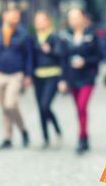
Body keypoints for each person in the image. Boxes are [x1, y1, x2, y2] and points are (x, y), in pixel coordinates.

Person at [0, 4, 32, 149]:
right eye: (13, 15)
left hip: (16, 74)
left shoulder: (22, 34)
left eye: (18, 16)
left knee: (10, 104)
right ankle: (7, 137)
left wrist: (28, 74)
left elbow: (29, 55)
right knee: (4, 108)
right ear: (5, 16)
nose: (16, 19)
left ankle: (22, 129)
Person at [58, 8, 100, 154]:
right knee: (79, 110)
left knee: (82, 107)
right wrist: (62, 79)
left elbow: (97, 57)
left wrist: (85, 62)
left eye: (77, 17)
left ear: (83, 18)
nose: (74, 21)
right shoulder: (65, 37)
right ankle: (85, 136)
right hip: (72, 77)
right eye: (71, 18)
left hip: (87, 77)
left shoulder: (91, 35)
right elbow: (62, 59)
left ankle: (81, 138)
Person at [32, 11, 63, 148]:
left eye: (42, 20)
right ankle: (45, 138)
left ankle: (56, 128)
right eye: (37, 21)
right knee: (40, 108)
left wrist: (49, 50)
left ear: (48, 21)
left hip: (52, 75)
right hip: (38, 76)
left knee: (45, 105)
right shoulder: (34, 38)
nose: (40, 24)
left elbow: (61, 55)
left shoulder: (54, 36)